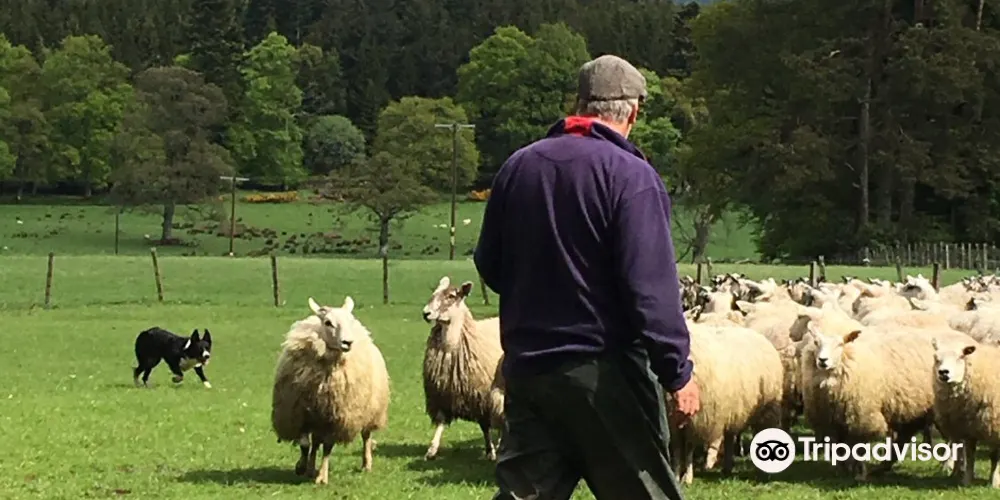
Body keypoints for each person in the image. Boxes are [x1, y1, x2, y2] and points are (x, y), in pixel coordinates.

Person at [473, 54, 701, 500]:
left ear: (579, 104)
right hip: (606, 375)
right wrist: (677, 373)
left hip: (530, 369)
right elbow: (649, 291)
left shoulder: (518, 167)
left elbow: (490, 266)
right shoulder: (631, 176)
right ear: (633, 112)